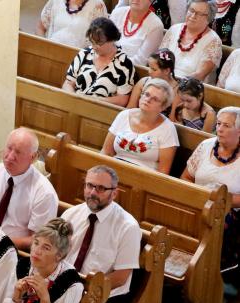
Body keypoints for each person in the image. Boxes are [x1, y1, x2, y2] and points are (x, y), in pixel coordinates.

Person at [60, 166, 142, 303]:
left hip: (104, 294)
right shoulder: (71, 214)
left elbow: (121, 277)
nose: (92, 192)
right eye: (89, 185)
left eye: (101, 188)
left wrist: (82, 289)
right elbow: (55, 252)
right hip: (65, 284)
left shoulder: (127, 227)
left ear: (114, 193)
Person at [0, 128, 59, 251]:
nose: (10, 156)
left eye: (18, 152)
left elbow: (38, 240)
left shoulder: (44, 193)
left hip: (13, 251)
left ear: (33, 157)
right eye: (9, 148)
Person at [181, 107, 240, 277]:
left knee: (215, 221)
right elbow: (186, 177)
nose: (219, 129)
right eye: (219, 124)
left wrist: (220, 201)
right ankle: (181, 263)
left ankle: (208, 272)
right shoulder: (206, 146)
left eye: (226, 126)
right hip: (197, 201)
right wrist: (197, 196)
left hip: (228, 210)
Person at [103, 78, 179, 174]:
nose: (148, 100)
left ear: (163, 107)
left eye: (155, 99)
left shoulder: (168, 129)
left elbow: (163, 171)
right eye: (146, 94)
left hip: (144, 177)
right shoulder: (124, 115)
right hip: (113, 172)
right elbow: (106, 152)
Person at [62, 17, 136, 107]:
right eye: (92, 42)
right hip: (74, 104)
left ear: (112, 39)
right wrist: (75, 99)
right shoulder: (85, 53)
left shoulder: (124, 64)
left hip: (101, 109)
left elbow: (122, 99)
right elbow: (68, 83)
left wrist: (96, 100)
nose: (94, 47)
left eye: (99, 43)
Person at [162, 0, 222, 84]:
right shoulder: (174, 29)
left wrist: (173, 84)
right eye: (191, 10)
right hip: (162, 82)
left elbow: (200, 75)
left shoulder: (214, 41)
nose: (193, 16)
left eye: (200, 14)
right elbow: (159, 59)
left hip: (189, 87)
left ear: (209, 18)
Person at [110, 0, 165, 67]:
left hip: (130, 69)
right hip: (104, 62)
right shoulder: (117, 13)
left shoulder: (156, 26)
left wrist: (113, 62)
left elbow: (140, 62)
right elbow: (104, 43)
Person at [38, 0, 108, 47]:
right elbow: (40, 28)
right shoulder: (56, 1)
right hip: (52, 53)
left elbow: (102, 40)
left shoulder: (98, 5)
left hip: (80, 60)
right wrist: (43, 47)